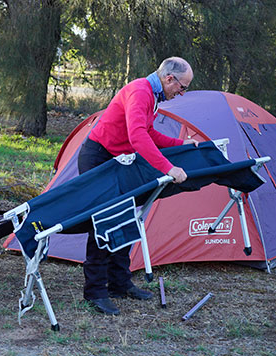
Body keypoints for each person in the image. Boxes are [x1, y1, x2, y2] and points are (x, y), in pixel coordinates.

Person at [78, 56, 199, 315]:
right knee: (104, 222)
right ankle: (95, 291)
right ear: (169, 79)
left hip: (118, 159)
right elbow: (138, 136)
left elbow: (150, 133)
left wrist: (181, 146)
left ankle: (119, 283)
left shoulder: (154, 96)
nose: (182, 92)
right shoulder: (140, 91)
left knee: (127, 218)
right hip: (98, 156)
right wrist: (168, 168)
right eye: (182, 86)